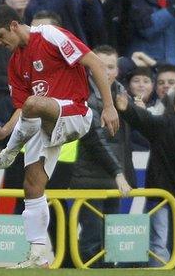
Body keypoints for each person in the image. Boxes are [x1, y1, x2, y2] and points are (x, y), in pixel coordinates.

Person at [0, 4, 119, 268]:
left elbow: (94, 63)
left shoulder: (50, 35)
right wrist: (6, 129)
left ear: (15, 25)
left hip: (76, 113)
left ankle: (8, 155)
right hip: (43, 123)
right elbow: (21, 108)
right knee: (32, 185)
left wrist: (108, 106)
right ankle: (38, 251)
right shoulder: (15, 62)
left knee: (33, 103)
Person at [116, 87, 175, 268]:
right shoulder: (164, 124)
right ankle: (158, 270)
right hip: (161, 194)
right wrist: (126, 108)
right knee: (159, 241)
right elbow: (144, 119)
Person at [71, 45, 135, 264]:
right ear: (90, 68)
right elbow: (95, 141)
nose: (106, 71)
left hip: (116, 179)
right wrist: (118, 172)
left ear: (117, 70)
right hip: (88, 179)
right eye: (100, 66)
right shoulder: (82, 96)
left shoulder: (123, 95)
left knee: (113, 242)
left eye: (110, 66)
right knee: (92, 239)